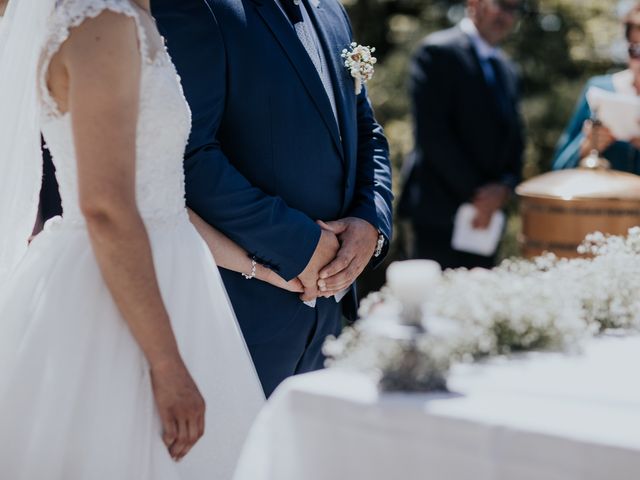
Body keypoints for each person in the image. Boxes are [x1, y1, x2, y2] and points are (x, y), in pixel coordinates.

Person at [0, 0, 307, 476]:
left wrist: (260, 267)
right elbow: (106, 208)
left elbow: (162, 199)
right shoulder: (101, 23)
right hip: (110, 299)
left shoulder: (132, 18)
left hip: (171, 280)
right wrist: (166, 366)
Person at [152, 0, 393, 397]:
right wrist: (300, 245)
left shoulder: (332, 11)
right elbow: (188, 155)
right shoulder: (201, 7)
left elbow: (366, 128)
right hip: (243, 313)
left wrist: (371, 224)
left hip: (330, 320)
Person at [399, 0, 524, 270]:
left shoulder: (508, 68)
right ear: (474, 4)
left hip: (486, 221)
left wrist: (504, 188)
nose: (507, 15)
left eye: (514, 9)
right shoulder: (438, 51)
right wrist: (479, 195)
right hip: (439, 213)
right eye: (501, 5)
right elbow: (432, 134)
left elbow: (515, 139)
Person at [553, 3, 640, 173]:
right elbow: (558, 166)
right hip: (601, 198)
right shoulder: (600, 90)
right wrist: (587, 146)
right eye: (636, 49)